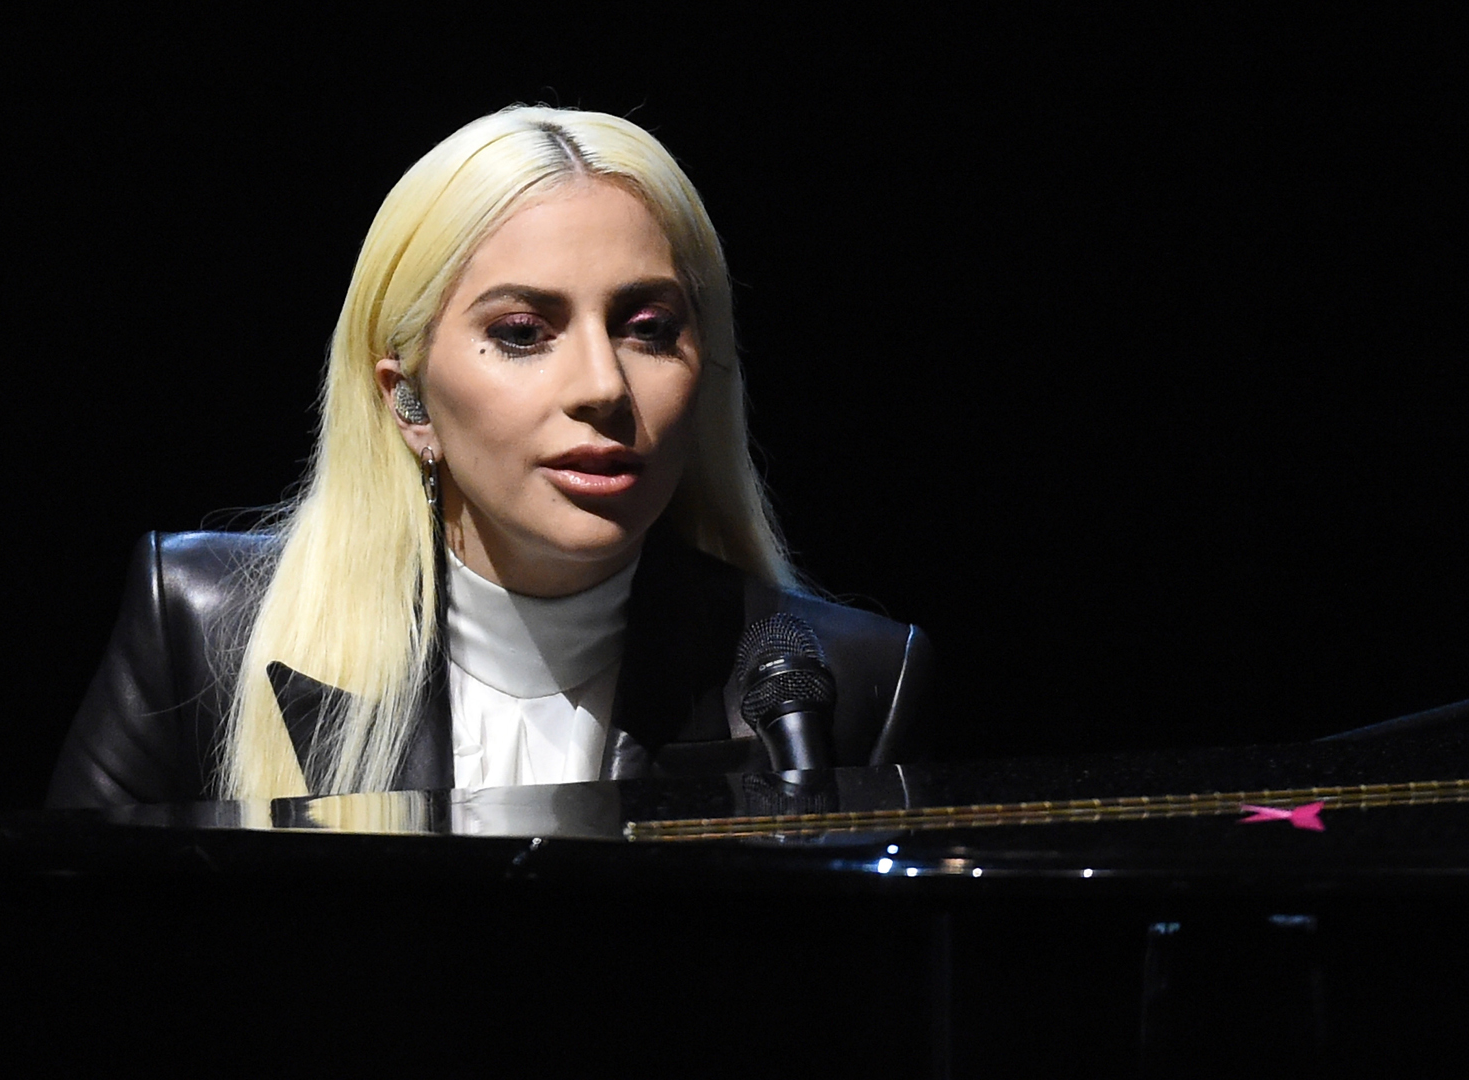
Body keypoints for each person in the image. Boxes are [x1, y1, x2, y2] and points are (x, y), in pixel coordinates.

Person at [47, 106, 932, 809]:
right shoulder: (202, 632)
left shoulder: (844, 682)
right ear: (407, 399)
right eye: (521, 332)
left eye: (650, 329)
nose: (603, 386)